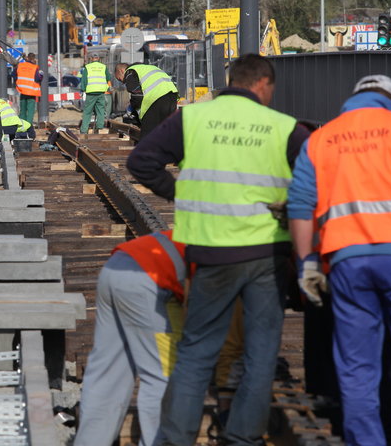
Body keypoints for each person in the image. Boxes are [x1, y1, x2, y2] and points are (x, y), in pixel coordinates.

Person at [127, 53, 309, 446]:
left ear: (232, 80)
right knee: (260, 356)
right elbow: (315, 184)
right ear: (262, 84)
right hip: (265, 254)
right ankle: (242, 438)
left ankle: (174, 440)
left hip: (209, 251)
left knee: (196, 352)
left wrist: (183, 193)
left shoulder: (194, 119)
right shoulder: (285, 128)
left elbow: (142, 161)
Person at [287, 74, 391, 445]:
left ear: (352, 100)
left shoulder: (322, 138)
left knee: (356, 369)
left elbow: (301, 207)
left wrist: (306, 262)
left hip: (346, 263)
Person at [75, 231, 188, 446]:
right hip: (150, 281)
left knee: (107, 371)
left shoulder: (216, 238)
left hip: (115, 267)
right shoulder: (241, 265)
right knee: (162, 375)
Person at [116, 62, 179, 138]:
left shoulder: (130, 72)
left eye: (119, 79)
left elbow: (137, 96)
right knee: (166, 132)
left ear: (121, 71)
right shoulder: (148, 68)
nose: (123, 83)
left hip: (155, 100)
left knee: (148, 136)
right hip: (172, 97)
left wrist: (133, 109)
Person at [80, 54, 112, 134]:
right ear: (98, 58)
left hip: (90, 92)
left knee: (88, 111)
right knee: (100, 110)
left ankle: (84, 129)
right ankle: (100, 127)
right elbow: (108, 78)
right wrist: (106, 88)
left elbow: (84, 80)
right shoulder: (103, 67)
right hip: (101, 92)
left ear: (91, 59)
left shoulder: (87, 67)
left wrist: (83, 90)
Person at [15, 52, 42, 123]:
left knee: (22, 110)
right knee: (30, 110)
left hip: (22, 91)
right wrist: (41, 75)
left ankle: (21, 125)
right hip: (31, 92)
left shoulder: (20, 65)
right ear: (33, 59)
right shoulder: (34, 67)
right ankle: (28, 126)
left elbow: (13, 74)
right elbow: (38, 79)